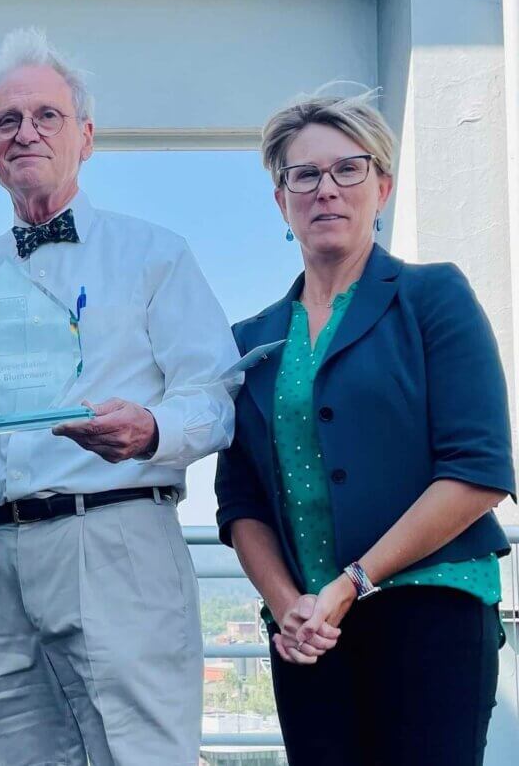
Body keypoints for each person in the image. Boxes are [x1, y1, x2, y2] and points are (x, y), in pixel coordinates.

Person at [0, 28, 240, 766]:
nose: (25, 132)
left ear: (86, 135)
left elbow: (217, 396)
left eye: (46, 115)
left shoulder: (155, 255)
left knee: (141, 754)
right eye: (6, 121)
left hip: (118, 539)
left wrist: (150, 430)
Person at [215, 91, 515, 766]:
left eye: (348, 170)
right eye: (305, 175)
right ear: (280, 199)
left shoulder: (433, 296)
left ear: (381, 185)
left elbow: (479, 469)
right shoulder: (251, 339)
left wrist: (351, 581)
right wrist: (288, 603)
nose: (327, 189)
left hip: (432, 612)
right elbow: (240, 502)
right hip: (307, 634)